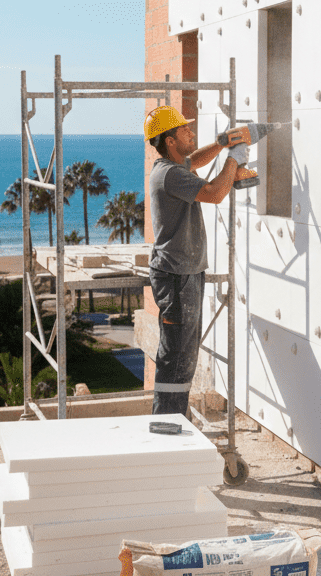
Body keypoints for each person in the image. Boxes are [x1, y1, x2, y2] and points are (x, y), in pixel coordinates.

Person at [143, 105, 248, 417]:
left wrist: (221, 144)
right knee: (177, 355)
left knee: (183, 354)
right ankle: (167, 422)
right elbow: (214, 194)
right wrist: (234, 159)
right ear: (170, 141)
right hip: (176, 276)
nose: (191, 132)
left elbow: (195, 160)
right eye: (185, 130)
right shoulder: (171, 175)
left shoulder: (175, 166)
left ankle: (174, 417)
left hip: (184, 273)